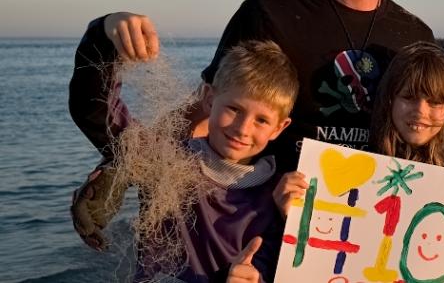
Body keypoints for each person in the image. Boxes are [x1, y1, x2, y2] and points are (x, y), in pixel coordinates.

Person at [70, 0, 440, 250]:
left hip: (373, 238)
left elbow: (434, 136)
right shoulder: (269, 13)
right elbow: (203, 110)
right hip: (265, 238)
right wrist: (120, 167)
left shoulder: (416, 36)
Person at [69, 20, 298, 282]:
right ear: (210, 99)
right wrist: (105, 32)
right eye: (233, 109)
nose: (242, 129)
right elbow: (95, 110)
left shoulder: (279, 196)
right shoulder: (165, 160)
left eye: (261, 120)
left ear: (280, 128)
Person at [274, 42, 444, 217]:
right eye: (408, 97)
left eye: (435, 102)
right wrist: (293, 215)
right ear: (389, 100)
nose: (420, 111)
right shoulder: (360, 166)